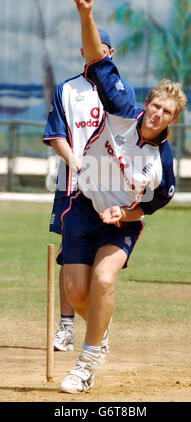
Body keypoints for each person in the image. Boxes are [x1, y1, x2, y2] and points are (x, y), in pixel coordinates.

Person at [58, 0, 187, 394]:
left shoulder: (162, 166)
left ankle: (87, 362)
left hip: (120, 225)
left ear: (173, 120)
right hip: (83, 207)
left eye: (167, 111)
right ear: (146, 103)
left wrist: (124, 216)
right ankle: (101, 329)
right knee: (78, 294)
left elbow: (149, 207)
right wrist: (87, 13)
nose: (157, 113)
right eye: (155, 105)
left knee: (103, 278)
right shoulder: (120, 108)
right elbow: (97, 56)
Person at [43, 28, 115, 351]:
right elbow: (56, 132)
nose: (92, 51)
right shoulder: (67, 90)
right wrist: (73, 160)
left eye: (98, 48)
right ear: (82, 52)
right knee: (67, 254)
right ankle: (67, 328)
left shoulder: (118, 91)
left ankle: (99, 323)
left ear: (109, 54)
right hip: (71, 183)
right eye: (86, 46)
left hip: (110, 188)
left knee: (102, 259)